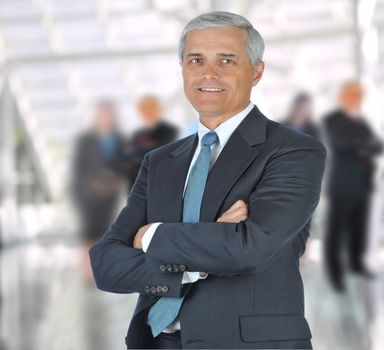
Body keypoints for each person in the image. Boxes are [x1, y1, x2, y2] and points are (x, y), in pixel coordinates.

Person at [89, 12, 326, 349]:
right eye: (195, 60)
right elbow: (106, 264)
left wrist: (153, 235)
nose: (208, 73)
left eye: (226, 60)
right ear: (183, 69)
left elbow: (249, 248)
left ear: (256, 71)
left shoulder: (294, 151)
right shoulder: (159, 162)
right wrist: (201, 255)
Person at [323, 81, 384, 292]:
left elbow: (380, 145)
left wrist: (361, 145)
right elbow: (340, 144)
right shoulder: (332, 120)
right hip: (342, 184)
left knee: (360, 229)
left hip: (362, 184)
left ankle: (357, 265)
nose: (356, 100)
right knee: (337, 232)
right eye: (352, 95)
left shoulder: (362, 121)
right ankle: (335, 274)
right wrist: (364, 145)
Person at [71, 100, 126, 282]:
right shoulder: (86, 140)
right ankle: (88, 274)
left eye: (109, 114)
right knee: (88, 234)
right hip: (89, 195)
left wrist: (114, 181)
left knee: (106, 233)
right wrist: (93, 183)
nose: (106, 118)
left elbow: (124, 164)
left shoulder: (119, 140)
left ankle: (101, 270)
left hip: (110, 196)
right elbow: (79, 168)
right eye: (103, 114)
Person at [127, 96, 178, 187]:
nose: (147, 112)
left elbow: (158, 153)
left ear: (158, 110)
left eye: (151, 108)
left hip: (158, 182)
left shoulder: (169, 131)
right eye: (144, 109)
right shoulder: (138, 134)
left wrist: (138, 152)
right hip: (136, 184)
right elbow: (130, 156)